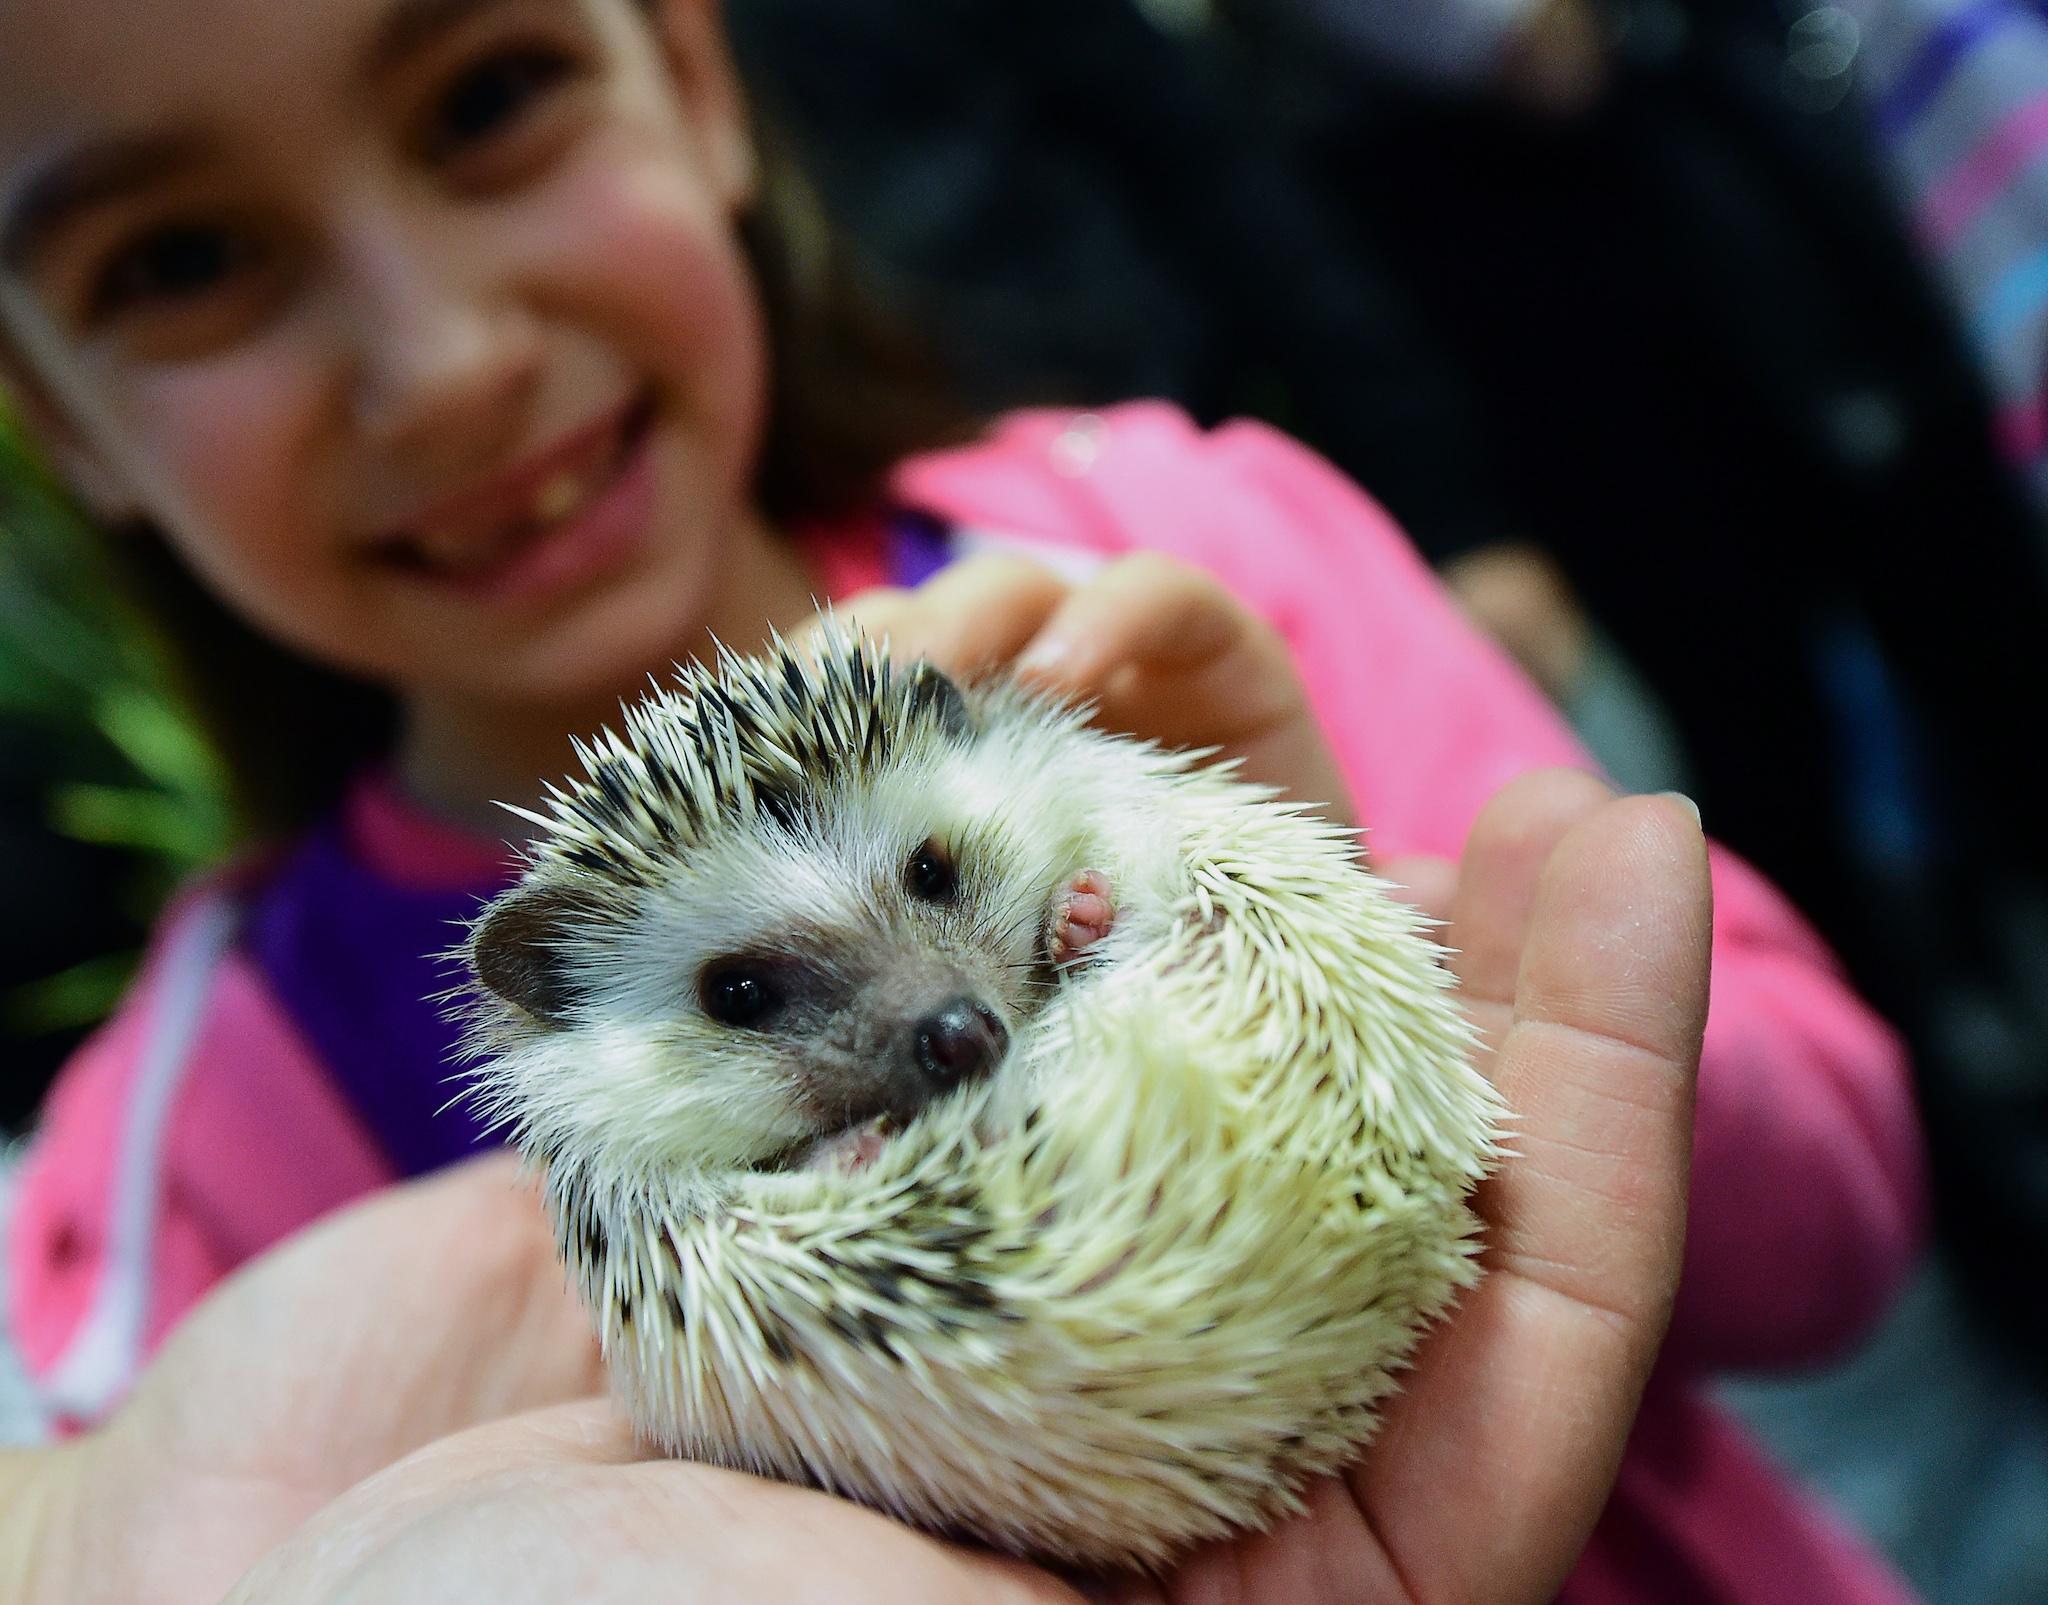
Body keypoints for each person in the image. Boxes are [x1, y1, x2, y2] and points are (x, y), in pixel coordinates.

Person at [0, 1, 1920, 1599]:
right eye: (178, 259)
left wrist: (1400, 963)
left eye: (491, 96)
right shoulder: (191, 1146)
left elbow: (1847, 1225)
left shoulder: (1184, 553)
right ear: (62, 421)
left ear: (697, 78)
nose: (444, 368)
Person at [0, 773, 1710, 1605]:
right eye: (750, 995)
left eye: (942, 880)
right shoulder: (201, 1106)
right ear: (552, 1019)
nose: (943, 1010)